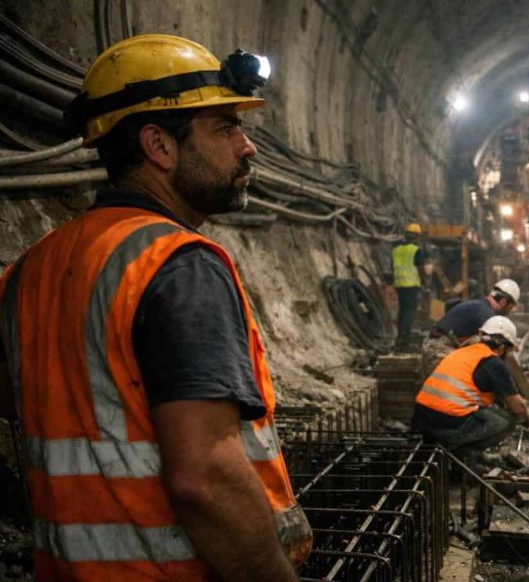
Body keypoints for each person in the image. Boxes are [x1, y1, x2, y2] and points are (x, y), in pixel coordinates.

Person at [0, 35, 311, 581]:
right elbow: (205, 479)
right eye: (225, 128)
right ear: (158, 146)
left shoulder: (31, 267)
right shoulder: (177, 265)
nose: (248, 147)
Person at [412, 316, 529, 464]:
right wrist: (528, 417)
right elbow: (517, 408)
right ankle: (465, 454)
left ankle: (455, 451)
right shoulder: (493, 362)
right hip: (445, 426)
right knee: (506, 421)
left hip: (420, 420)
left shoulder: (464, 351)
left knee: (487, 411)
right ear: (502, 347)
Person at [421, 278, 520, 376]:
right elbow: (491, 350)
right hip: (439, 350)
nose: (509, 311)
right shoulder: (486, 315)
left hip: (435, 346)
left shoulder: (480, 306)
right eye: (510, 307)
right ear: (503, 302)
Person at [392, 222, 430, 351]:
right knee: (410, 312)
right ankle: (405, 341)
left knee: (402, 312)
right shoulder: (415, 250)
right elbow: (420, 269)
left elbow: (393, 268)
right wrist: (425, 283)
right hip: (412, 285)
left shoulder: (396, 250)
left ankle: (400, 339)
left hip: (399, 285)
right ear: (416, 237)